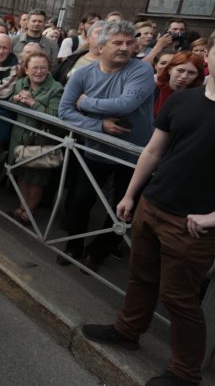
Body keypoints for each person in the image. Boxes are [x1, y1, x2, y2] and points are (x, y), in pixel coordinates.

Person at [81, 27, 215, 386]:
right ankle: (127, 331)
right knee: (141, 276)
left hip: (194, 223)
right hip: (152, 204)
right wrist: (130, 195)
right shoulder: (182, 100)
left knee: (179, 298)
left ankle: (185, 373)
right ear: (209, 55)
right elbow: (153, 151)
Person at [58, 20, 155, 272]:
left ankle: (97, 253)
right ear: (101, 47)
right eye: (118, 43)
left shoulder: (141, 70)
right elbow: (64, 111)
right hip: (96, 150)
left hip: (133, 156)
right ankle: (73, 246)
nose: (125, 47)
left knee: (122, 209)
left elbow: (125, 105)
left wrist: (86, 102)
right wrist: (99, 126)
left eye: (130, 42)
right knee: (79, 201)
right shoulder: (82, 73)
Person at [8, 52, 64, 226]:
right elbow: (9, 103)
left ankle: (29, 212)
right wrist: (15, 99)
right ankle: (21, 207)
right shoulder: (19, 84)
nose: (39, 71)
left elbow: (56, 116)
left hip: (40, 141)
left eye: (43, 68)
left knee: (37, 178)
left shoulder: (56, 88)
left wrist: (33, 103)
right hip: (19, 138)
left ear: (49, 70)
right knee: (23, 174)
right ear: (26, 69)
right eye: (34, 68)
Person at [153, 51, 204, 117]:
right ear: (169, 70)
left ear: (197, 75)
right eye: (180, 70)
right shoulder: (151, 90)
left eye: (191, 73)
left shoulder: (200, 97)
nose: (184, 76)